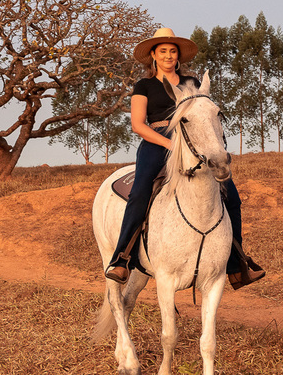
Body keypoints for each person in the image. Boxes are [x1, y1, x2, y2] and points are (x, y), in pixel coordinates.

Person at [104, 27, 265, 289]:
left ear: (179, 56)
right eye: (163, 51)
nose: (168, 55)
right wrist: (171, 143)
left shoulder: (192, 84)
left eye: (173, 51)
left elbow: (204, 117)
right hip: (158, 144)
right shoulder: (144, 85)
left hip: (194, 146)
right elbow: (138, 125)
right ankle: (122, 258)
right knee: (140, 191)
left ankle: (236, 264)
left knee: (231, 195)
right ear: (153, 56)